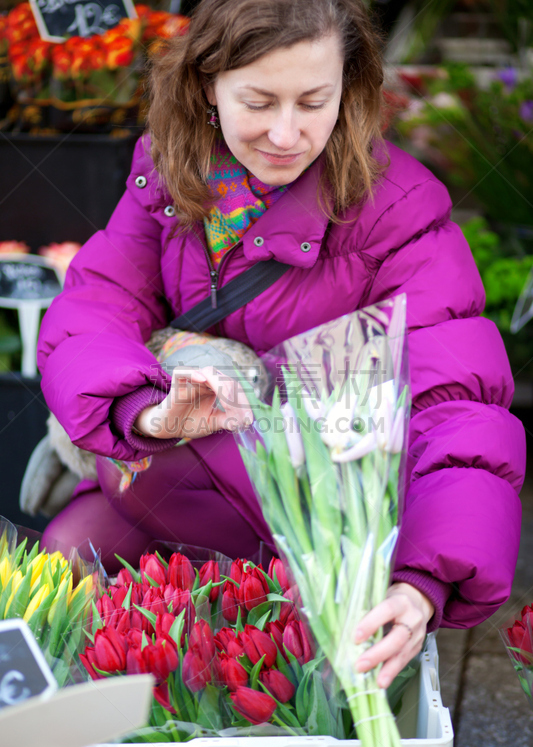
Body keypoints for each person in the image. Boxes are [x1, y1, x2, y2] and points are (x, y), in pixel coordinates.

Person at [36, 0, 525, 689]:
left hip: (312, 527)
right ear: (208, 85)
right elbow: (94, 309)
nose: (287, 133)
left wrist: (424, 578)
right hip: (172, 483)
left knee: (297, 672)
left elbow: (459, 404)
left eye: (313, 101)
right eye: (258, 102)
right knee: (66, 563)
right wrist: (142, 412)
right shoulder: (167, 179)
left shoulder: (398, 213)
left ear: (348, 89)